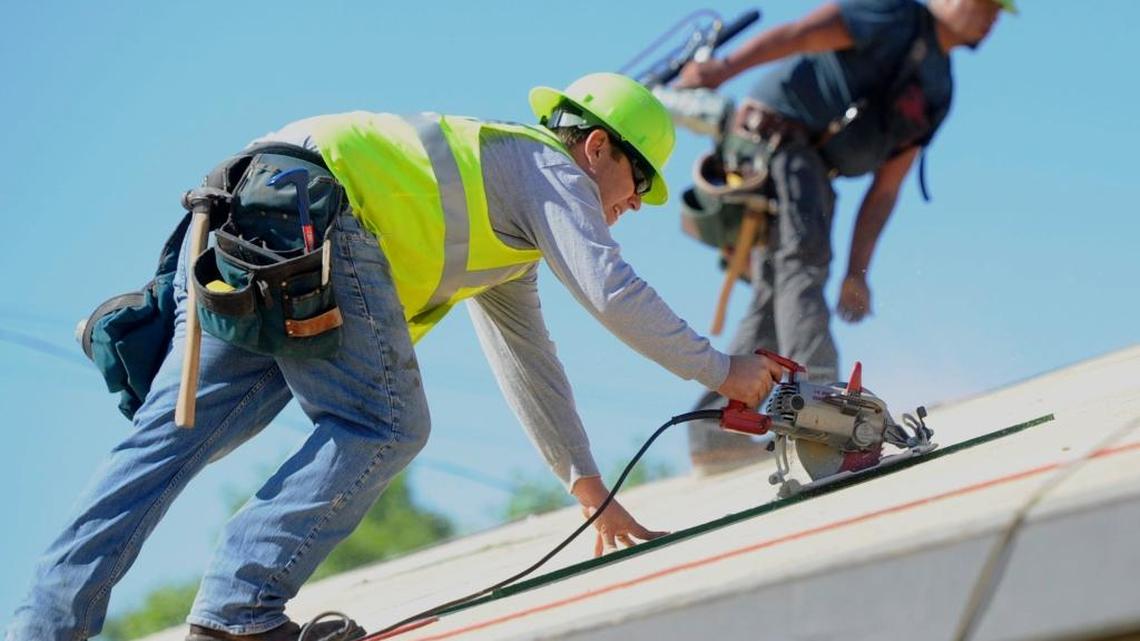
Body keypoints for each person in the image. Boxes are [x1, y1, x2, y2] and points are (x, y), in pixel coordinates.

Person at [6, 72, 786, 641]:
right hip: (315, 217)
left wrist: (588, 487)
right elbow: (612, 293)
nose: (633, 208)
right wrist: (726, 371)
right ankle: (238, 610)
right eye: (636, 184)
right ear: (594, 147)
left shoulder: (504, 227)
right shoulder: (549, 172)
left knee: (161, 444)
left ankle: (42, 627)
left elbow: (529, 360)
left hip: (240, 213)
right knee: (382, 420)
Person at [676, 0, 1015, 475]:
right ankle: (827, 413)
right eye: (984, 5)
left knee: (780, 284)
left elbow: (885, 190)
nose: (991, 16)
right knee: (802, 263)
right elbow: (799, 35)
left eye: (998, 12)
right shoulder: (891, 15)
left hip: (810, 163)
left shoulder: (938, 87)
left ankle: (716, 434)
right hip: (776, 135)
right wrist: (724, 69)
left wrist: (858, 274)